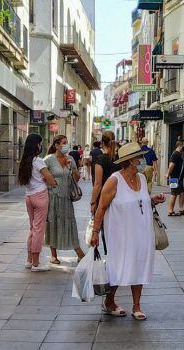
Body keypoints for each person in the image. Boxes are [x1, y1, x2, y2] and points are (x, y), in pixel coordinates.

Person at [88, 142, 166, 321]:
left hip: (142, 232)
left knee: (139, 265)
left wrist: (153, 200)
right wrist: (95, 232)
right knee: (118, 267)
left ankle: (137, 306)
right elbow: (101, 208)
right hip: (120, 234)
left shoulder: (142, 178)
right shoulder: (114, 180)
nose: (141, 158)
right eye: (139, 156)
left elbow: (140, 201)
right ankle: (109, 301)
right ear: (132, 161)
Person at [44, 134, 85, 264]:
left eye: (66, 142)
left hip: (66, 198)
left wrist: (71, 168)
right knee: (53, 223)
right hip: (53, 197)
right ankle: (53, 255)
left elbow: (77, 179)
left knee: (70, 224)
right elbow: (41, 177)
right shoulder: (48, 160)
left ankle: (79, 253)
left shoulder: (70, 159)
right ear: (56, 145)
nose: (65, 145)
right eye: (63, 142)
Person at [17, 133, 56, 269]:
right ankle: (36, 263)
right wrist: (51, 181)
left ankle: (29, 260)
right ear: (36, 145)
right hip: (40, 196)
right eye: (40, 143)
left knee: (33, 228)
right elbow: (50, 179)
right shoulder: (38, 161)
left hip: (29, 197)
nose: (41, 146)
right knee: (39, 230)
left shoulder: (25, 161)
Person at [90, 131, 119, 217]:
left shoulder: (101, 159)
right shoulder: (120, 159)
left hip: (104, 197)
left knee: (104, 226)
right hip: (118, 195)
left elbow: (98, 184)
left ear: (102, 143)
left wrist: (93, 202)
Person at [166, 139, 184, 216]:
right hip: (174, 178)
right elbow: (171, 165)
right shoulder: (176, 154)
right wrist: (168, 174)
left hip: (179, 178)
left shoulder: (179, 154)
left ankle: (181, 209)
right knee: (174, 193)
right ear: (180, 146)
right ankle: (170, 210)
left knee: (181, 193)